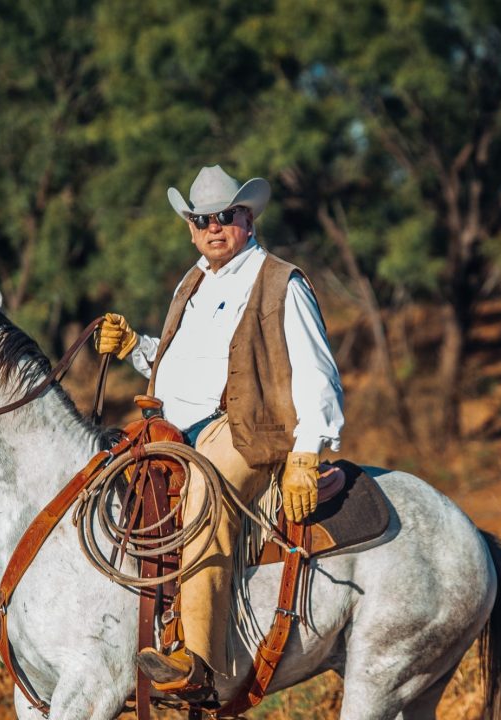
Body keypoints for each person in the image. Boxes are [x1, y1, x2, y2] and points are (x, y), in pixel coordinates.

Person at [95, 164, 344, 689]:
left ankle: (197, 660)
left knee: (206, 495)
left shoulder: (280, 281)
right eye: (202, 218)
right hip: (172, 427)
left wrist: (305, 454)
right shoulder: (192, 283)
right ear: (190, 228)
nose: (214, 227)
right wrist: (135, 349)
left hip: (245, 430)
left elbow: (319, 374)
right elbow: (184, 366)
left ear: (247, 218)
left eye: (225, 216)